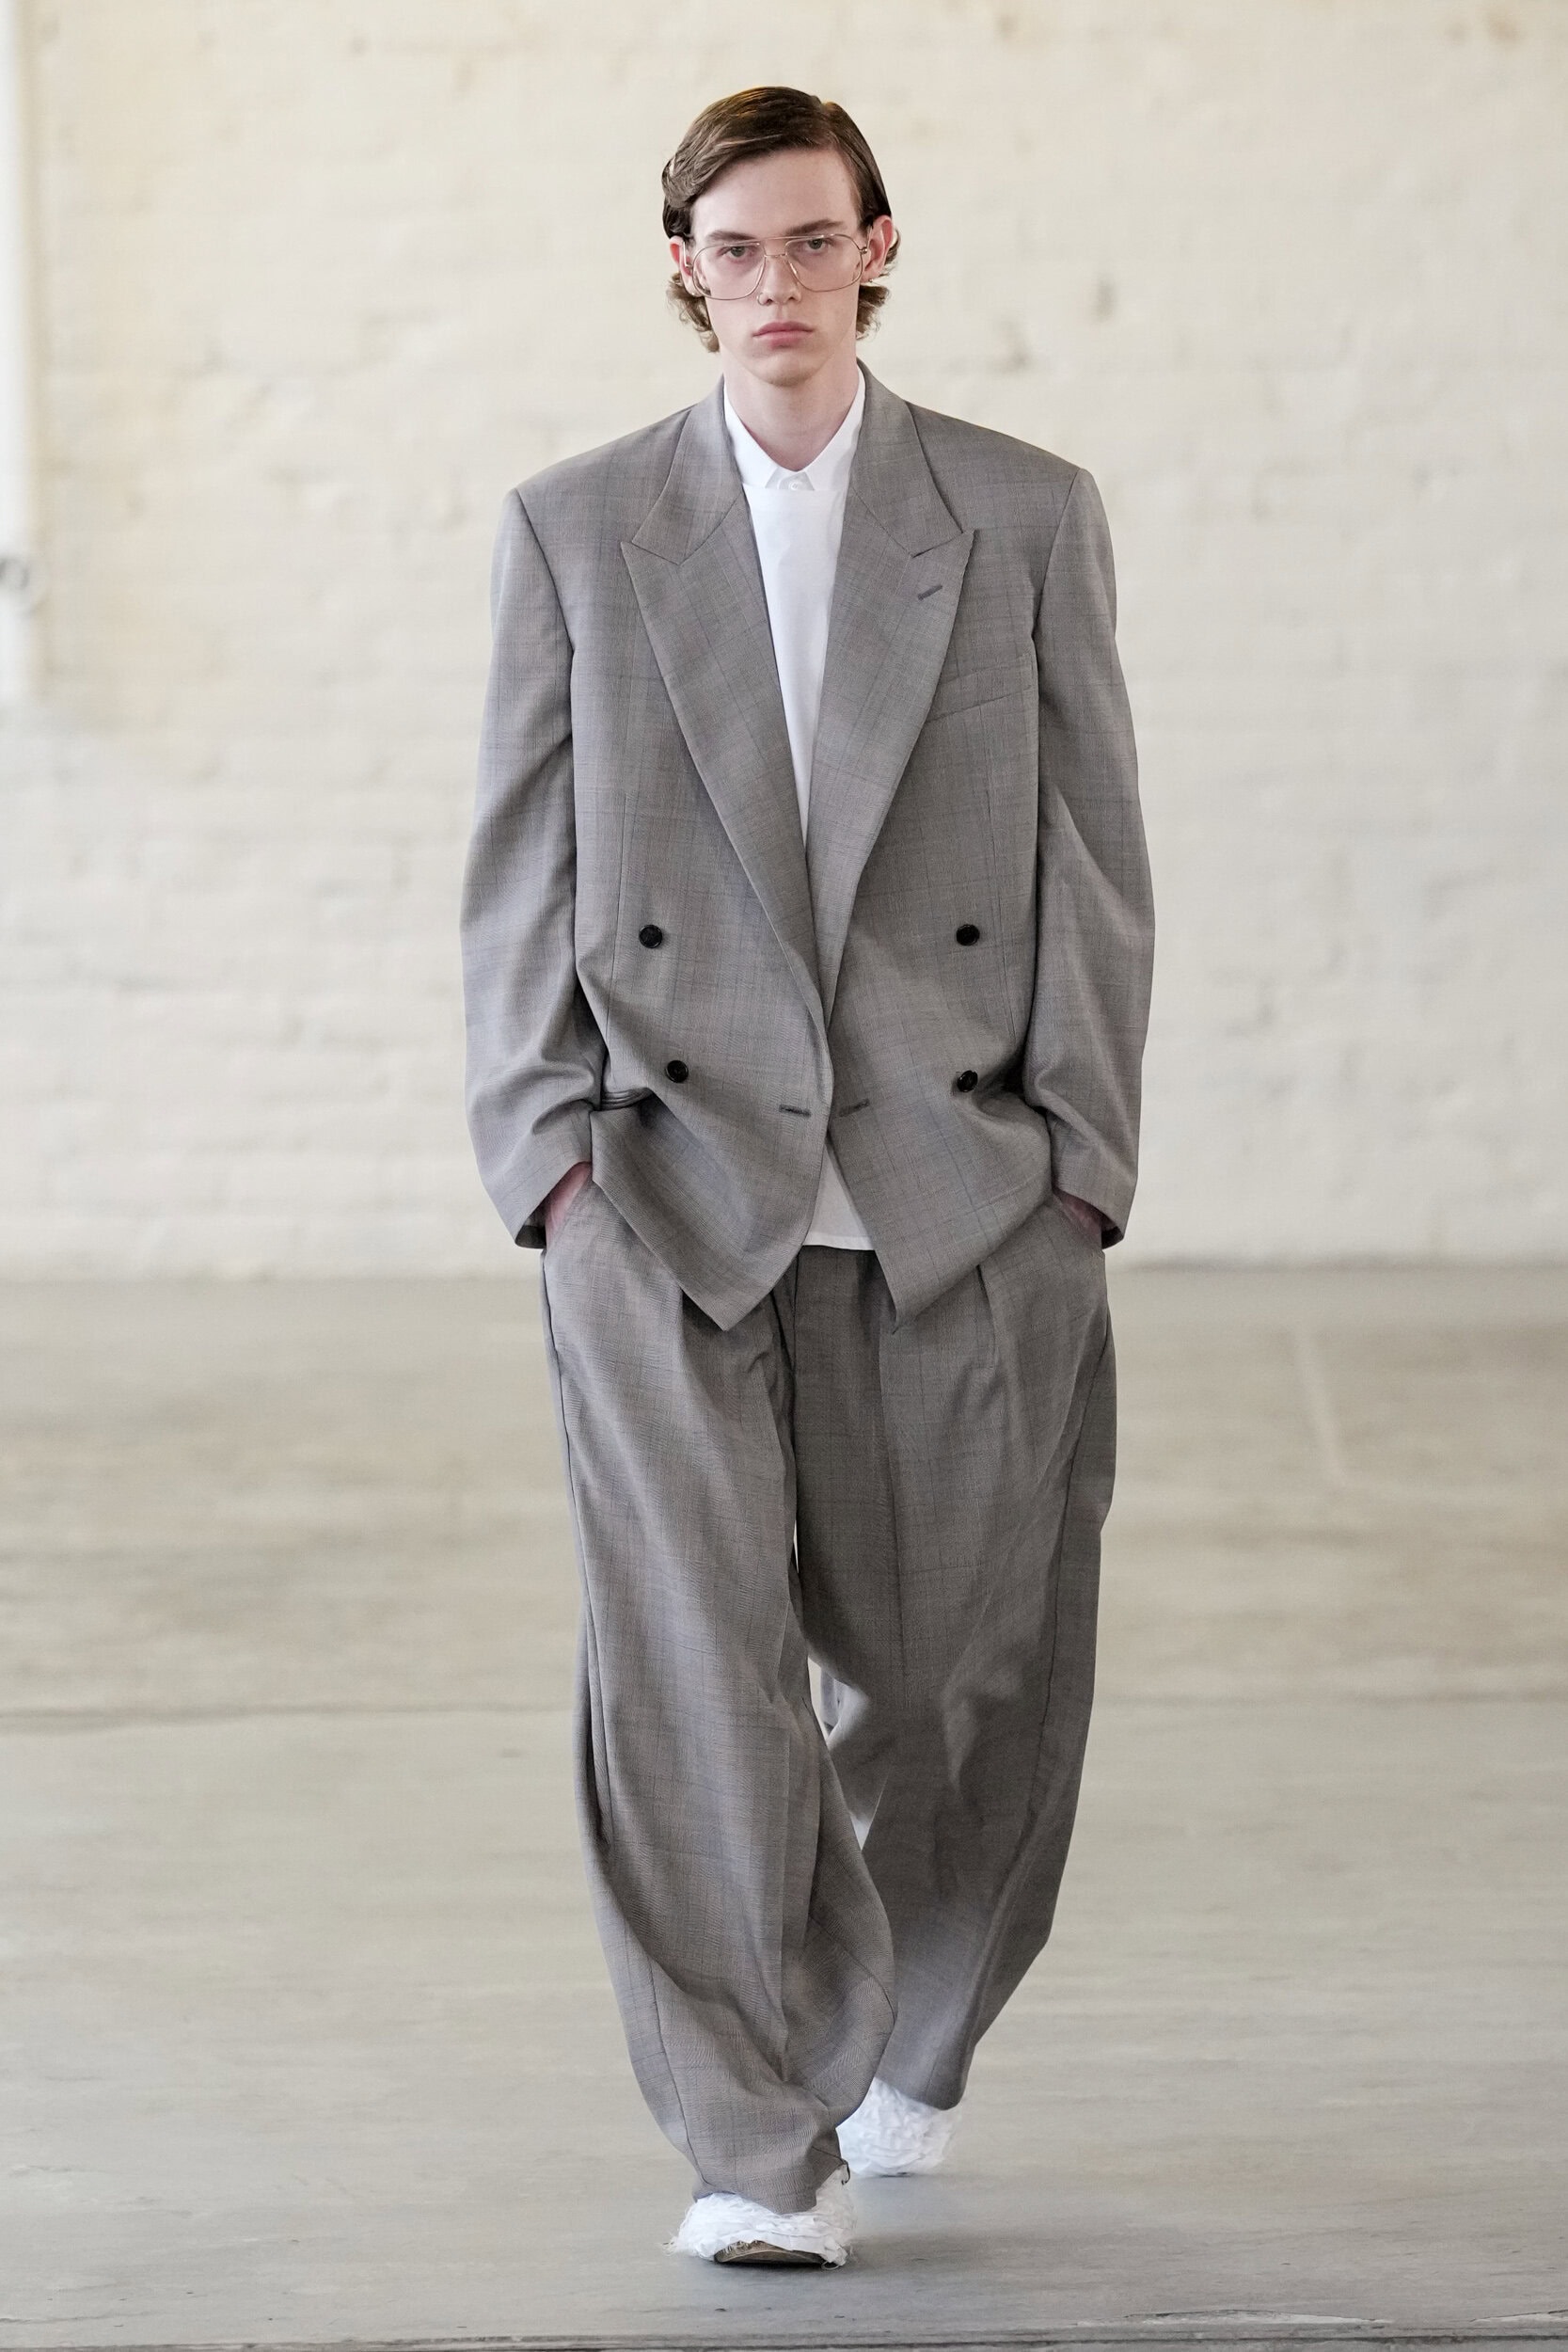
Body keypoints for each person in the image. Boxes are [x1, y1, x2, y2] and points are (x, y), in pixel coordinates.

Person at [461, 84, 1153, 2269]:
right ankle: (755, 2141)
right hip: (662, 1190)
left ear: (878, 250)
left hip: (958, 1190)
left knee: (967, 1676)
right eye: (736, 248)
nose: (778, 283)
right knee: (694, 1681)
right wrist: (548, 1161)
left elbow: (1093, 855)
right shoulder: (580, 527)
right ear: (685, 270)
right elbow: (520, 864)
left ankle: (909, 2022)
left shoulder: (1018, 513)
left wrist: (1079, 1165)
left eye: (814, 241)